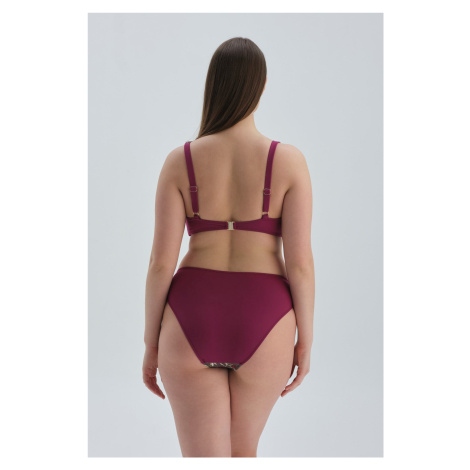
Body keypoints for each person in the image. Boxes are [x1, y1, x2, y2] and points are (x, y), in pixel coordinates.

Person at [142, 37, 315, 458]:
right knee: (243, 454)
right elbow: (300, 264)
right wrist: (305, 340)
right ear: (262, 85)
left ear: (213, 84)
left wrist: (151, 344)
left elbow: (161, 264)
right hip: (266, 316)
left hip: (191, 314)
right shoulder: (289, 161)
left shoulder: (180, 161)